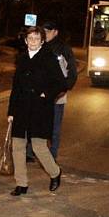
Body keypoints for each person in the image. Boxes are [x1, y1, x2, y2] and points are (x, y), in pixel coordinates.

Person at [7, 26, 67, 196]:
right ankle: (21, 183)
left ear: (42, 41)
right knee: (17, 146)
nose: (33, 41)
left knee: (38, 146)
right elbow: (16, 87)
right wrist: (11, 111)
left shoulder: (49, 58)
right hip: (21, 108)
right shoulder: (22, 58)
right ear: (25, 41)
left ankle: (55, 173)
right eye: (30, 38)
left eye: (36, 38)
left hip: (40, 108)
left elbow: (61, 83)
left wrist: (45, 94)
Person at [41, 20, 78, 160]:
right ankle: (31, 151)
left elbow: (72, 71)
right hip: (40, 94)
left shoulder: (63, 49)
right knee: (37, 123)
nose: (45, 34)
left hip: (57, 95)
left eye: (47, 31)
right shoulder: (40, 46)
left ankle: (52, 153)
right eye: (43, 31)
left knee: (54, 126)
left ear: (55, 32)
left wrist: (64, 88)